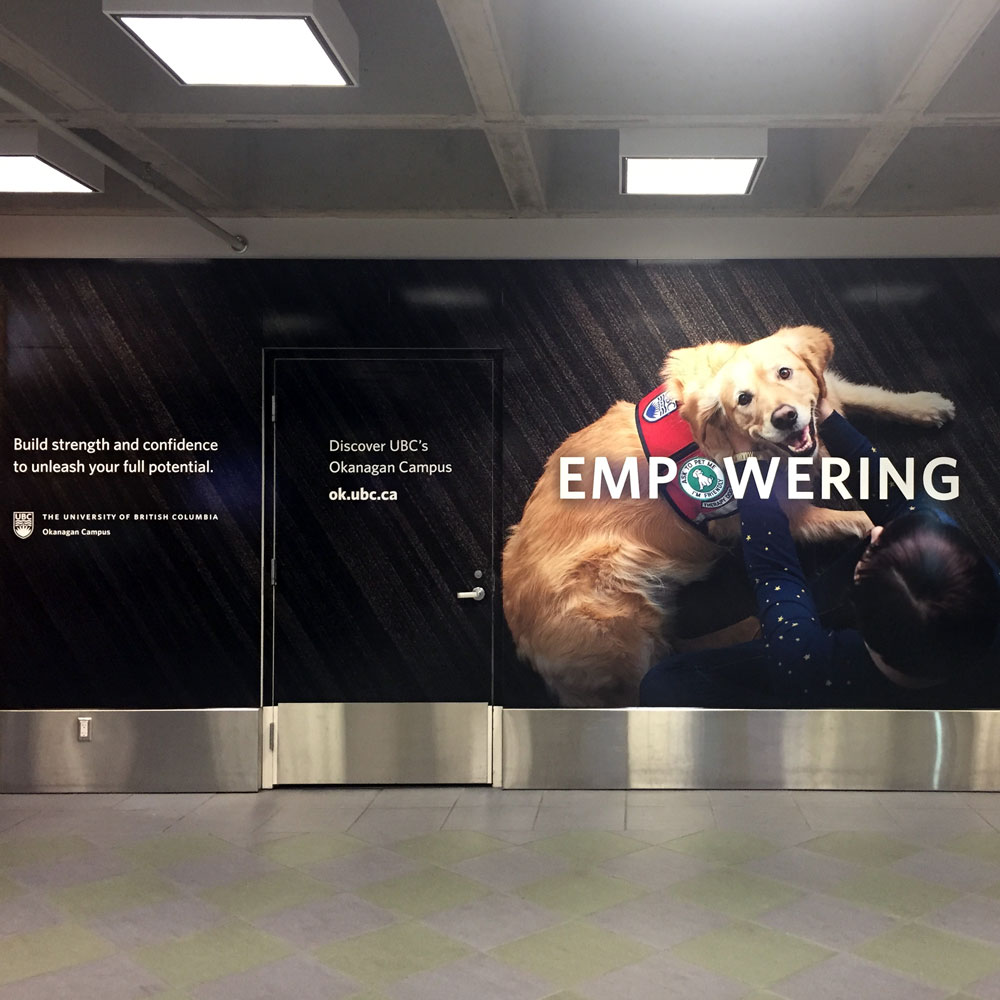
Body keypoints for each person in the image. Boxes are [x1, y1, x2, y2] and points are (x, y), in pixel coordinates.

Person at [639, 398, 1000, 708]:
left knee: (662, 683)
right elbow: (897, 504)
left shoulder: (811, 664)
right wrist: (825, 414)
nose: (875, 529)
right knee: (927, 514)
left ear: (857, 592)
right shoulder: (975, 586)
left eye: (873, 549)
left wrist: (747, 460)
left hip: (826, 688)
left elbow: (776, 572)